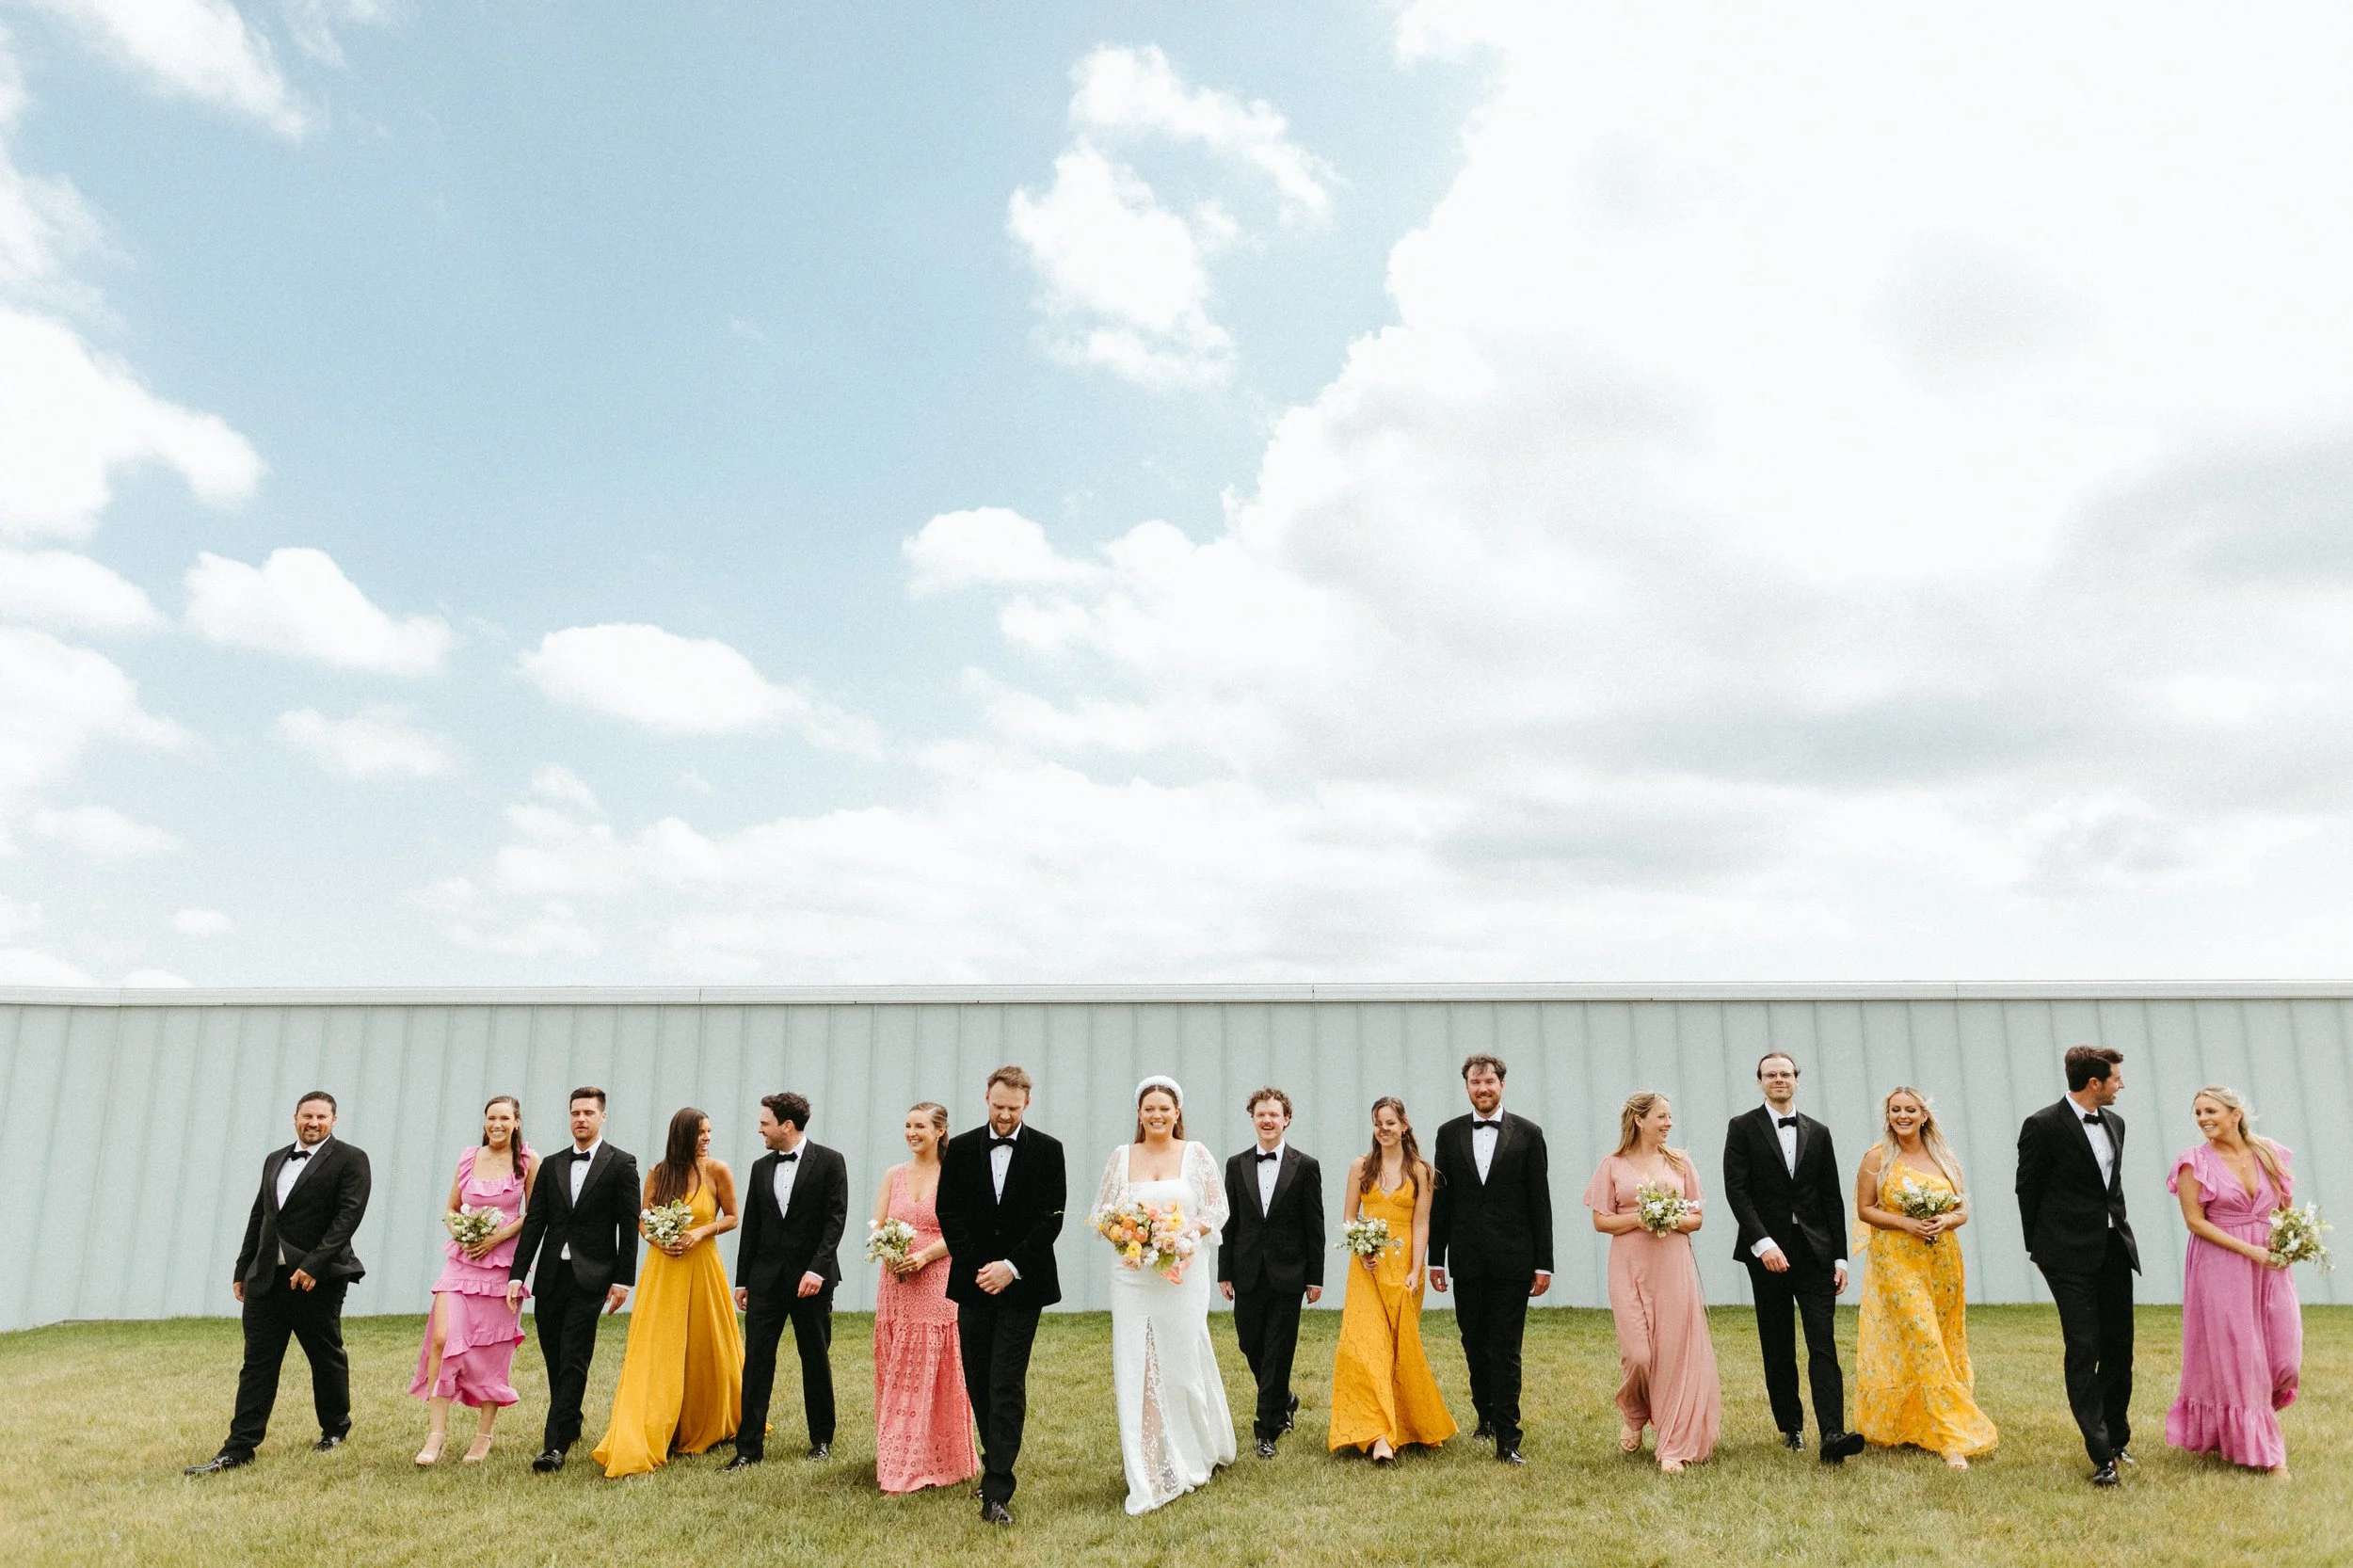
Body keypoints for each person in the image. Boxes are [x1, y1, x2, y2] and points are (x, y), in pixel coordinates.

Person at [185, 1091, 372, 1475]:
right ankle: (238, 1448)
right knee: (257, 1364)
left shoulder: (352, 1159)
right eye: (307, 1116)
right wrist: (243, 1268)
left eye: (322, 1116)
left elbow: (347, 1218)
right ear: (295, 1118)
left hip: (317, 1280)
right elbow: (261, 1216)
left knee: (324, 1355)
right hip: (267, 1276)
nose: (314, 1122)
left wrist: (315, 1266)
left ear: (333, 1120)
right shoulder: (274, 1159)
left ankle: (335, 1428)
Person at [1093, 1077, 1236, 1513]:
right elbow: (1101, 1211)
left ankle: (1195, 1450)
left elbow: (1218, 1209)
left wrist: (1182, 1232)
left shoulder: (1196, 1154)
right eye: (1149, 1108)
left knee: (1181, 1364)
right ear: (1139, 1113)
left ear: (1177, 1112)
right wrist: (1123, 1231)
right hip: (1132, 1275)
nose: (1157, 1115)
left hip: (1182, 1273)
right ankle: (1148, 1465)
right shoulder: (1121, 1157)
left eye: (1164, 1108)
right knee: (1137, 1361)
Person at [936, 1064, 1067, 1526]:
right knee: (978, 1378)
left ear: (1026, 1104)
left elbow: (1051, 1219)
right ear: (986, 1099)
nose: (1005, 1115)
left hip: (1021, 1284)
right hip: (972, 1282)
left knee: (1006, 1380)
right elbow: (947, 1212)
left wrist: (1010, 1268)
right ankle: (996, 1462)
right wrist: (978, 1268)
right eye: (998, 1107)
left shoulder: (1050, 1151)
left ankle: (997, 1489)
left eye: (1013, 1108)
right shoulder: (962, 1148)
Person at [1722, 1053, 1863, 1464]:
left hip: (1816, 1252)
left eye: (1785, 1074)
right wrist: (1763, 1243)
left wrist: (1841, 1257)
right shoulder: (1743, 1128)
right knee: (1778, 1341)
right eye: (1771, 1075)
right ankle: (1792, 1427)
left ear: (1797, 1080)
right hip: (1767, 1252)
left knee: (1823, 1342)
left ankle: (1833, 1433)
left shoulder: (1818, 1132)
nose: (1778, 1079)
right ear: (1760, 1081)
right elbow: (1737, 1191)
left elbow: (1832, 1196)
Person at [592, 1107, 744, 1476]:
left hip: (703, 1267)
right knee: (659, 1347)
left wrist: (700, 1232)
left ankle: (707, 1421)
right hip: (665, 1270)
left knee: (706, 1345)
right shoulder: (658, 1174)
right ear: (682, 1136)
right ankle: (655, 1426)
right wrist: (660, 1241)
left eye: (709, 1131)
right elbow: (642, 1221)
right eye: (700, 1133)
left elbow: (732, 1217)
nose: (707, 1138)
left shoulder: (718, 1171)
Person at [1853, 1087, 1997, 1466]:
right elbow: (1865, 1210)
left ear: (1924, 1116)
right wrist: (1906, 1223)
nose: (1902, 1116)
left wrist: (1945, 1219)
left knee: (1944, 1338)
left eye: (1910, 1110)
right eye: (1895, 1110)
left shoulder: (1943, 1157)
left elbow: (1962, 1209)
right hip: (1897, 1261)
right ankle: (1952, 1439)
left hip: (1942, 1261)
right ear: (1888, 1116)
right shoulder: (1877, 1157)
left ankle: (1921, 1422)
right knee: (1924, 1337)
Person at [2017, 1045, 2140, 1486]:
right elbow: (2026, 1191)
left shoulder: (2116, 1123)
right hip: (2065, 1255)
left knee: (2119, 1348)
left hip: (2113, 1248)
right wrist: (2041, 1250)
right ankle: (2101, 1452)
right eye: (2116, 1078)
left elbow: (2113, 1188)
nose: (2121, 1084)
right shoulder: (2042, 1125)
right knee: (2084, 1346)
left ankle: (2119, 1437)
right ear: (2095, 1083)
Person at [2166, 1086, 2301, 1478]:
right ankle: (2271, 1457)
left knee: (2284, 1357)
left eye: (2211, 1111)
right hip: (2221, 1264)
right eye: (2197, 1113)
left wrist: (2287, 1238)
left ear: (2235, 1113)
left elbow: (2285, 1208)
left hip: (2271, 1265)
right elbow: (2195, 1222)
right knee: (2245, 1359)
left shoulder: (2269, 1154)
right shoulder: (2193, 1163)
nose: (2203, 1119)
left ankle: (2238, 1426)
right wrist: (2250, 1250)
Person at [1582, 1092, 1720, 1475]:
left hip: (1672, 1265)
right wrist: (1640, 1220)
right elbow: (1601, 1221)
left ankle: (1674, 1445)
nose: (1668, 1123)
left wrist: (1667, 1218)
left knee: (1674, 1355)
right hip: (1627, 1265)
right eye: (1662, 1116)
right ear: (1640, 1121)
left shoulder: (1681, 1163)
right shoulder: (1612, 1165)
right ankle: (1634, 1411)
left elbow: (1696, 1220)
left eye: (1670, 1117)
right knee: (1638, 1354)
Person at [506, 1086, 641, 1474]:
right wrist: (518, 1274)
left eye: (587, 1113)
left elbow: (627, 1228)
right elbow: (535, 1223)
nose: (580, 1119)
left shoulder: (621, 1164)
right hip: (551, 1275)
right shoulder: (550, 1164)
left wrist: (623, 1280)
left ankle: (554, 1445)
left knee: (574, 1357)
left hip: (592, 1276)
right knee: (554, 1355)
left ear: (602, 1117)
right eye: (574, 1113)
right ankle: (571, 1419)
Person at [1428, 1052, 1552, 1464]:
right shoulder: (1448, 1134)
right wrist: (1436, 1259)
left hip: (1514, 1259)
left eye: (1489, 1082)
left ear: (1502, 1085)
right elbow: (1440, 1202)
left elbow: (1540, 1202)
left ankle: (1508, 1437)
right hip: (1466, 1258)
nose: (1482, 1089)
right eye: (1475, 1083)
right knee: (1473, 1340)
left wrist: (1543, 1263)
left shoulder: (1529, 1134)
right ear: (1467, 1087)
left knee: (1506, 1347)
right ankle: (1485, 1412)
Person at [1327, 1096, 1456, 1462]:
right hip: (1366, 1268)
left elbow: (1421, 1222)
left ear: (1404, 1125)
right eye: (1377, 1123)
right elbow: (1350, 1216)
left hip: (1403, 1270)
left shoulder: (1421, 1171)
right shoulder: (1360, 1167)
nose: (1383, 1130)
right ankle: (1378, 1434)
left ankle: (1405, 1424)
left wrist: (1417, 1270)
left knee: (1401, 1348)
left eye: (1389, 1123)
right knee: (1366, 1346)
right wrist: (1362, 1247)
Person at [410, 1096, 537, 1466]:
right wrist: (462, 1231)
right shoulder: (469, 1157)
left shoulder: (528, 1160)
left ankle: (484, 1435)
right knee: (441, 1338)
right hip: (461, 1262)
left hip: (502, 1265)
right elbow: (451, 1207)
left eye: (504, 1118)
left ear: (516, 1122)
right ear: (484, 1122)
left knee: (492, 1349)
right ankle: (436, 1434)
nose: (497, 1124)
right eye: (491, 1118)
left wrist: (495, 1238)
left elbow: (534, 1212)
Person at [726, 1092, 848, 1468]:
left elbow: (835, 1221)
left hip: (811, 1280)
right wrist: (743, 1279)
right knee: (757, 1362)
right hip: (765, 1281)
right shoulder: (760, 1167)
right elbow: (753, 1227)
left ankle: (822, 1440)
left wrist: (817, 1269)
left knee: (814, 1358)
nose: (759, 1129)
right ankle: (748, 1449)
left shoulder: (829, 1162)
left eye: (765, 1123)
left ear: (787, 1126)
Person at [868, 1101, 979, 1495]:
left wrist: (926, 1255)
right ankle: (897, 1451)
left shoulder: (956, 1175)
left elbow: (967, 1232)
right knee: (897, 1365)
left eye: (920, 1126)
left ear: (939, 1132)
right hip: (896, 1282)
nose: (912, 1133)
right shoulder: (893, 1175)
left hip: (938, 1280)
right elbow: (877, 1225)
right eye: (907, 1126)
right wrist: (888, 1252)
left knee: (931, 1365)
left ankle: (934, 1457)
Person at [1219, 1086, 1325, 1459]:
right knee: (1250, 1343)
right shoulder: (1235, 1164)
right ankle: (1285, 1399)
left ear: (1286, 1119)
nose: (1267, 1120)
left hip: (1289, 1272)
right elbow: (1227, 1222)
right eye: (1260, 1114)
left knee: (1279, 1349)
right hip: (1246, 1269)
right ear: (1253, 1118)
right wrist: (1224, 1271)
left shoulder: (1305, 1166)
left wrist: (1315, 1277)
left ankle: (1266, 1429)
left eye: (1274, 1114)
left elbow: (1315, 1225)